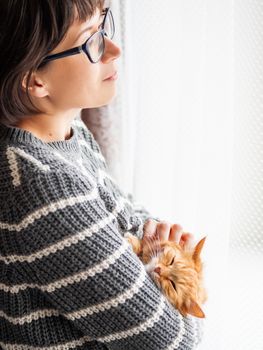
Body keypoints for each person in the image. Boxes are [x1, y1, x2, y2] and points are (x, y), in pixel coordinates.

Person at [0, 1, 204, 349]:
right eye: (90, 39)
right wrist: (185, 279)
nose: (113, 48)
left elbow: (135, 219)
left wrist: (158, 251)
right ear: (35, 80)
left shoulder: (69, 135)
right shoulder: (42, 187)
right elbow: (176, 341)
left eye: (102, 26)